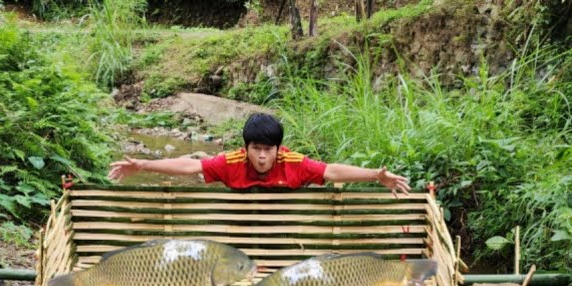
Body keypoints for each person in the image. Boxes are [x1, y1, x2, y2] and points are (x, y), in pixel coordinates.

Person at [107, 113, 410, 196]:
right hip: (242, 226)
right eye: (257, 149)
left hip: (285, 227)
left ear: (278, 149)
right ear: (246, 148)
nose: (262, 157)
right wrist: (144, 164)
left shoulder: (293, 163)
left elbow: (331, 171)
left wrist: (375, 175)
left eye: (268, 150)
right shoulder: (232, 162)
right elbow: (191, 166)